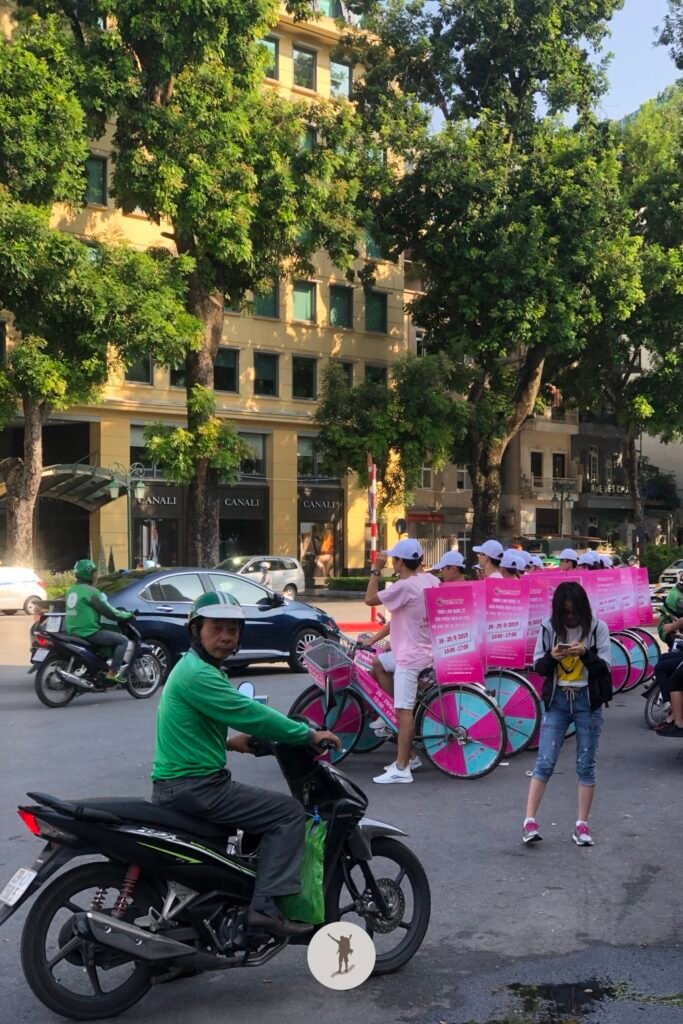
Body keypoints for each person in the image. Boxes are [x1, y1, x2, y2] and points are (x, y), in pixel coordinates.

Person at [151, 591, 341, 938]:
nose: (226, 637)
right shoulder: (200, 675)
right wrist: (307, 735)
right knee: (286, 814)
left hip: (178, 785)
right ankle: (264, 909)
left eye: (233, 630)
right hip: (198, 787)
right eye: (217, 629)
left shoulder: (192, 669)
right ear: (196, 630)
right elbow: (251, 714)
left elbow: (186, 724)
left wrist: (228, 742)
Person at [522, 581, 611, 846]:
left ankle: (582, 825)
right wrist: (553, 656)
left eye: (573, 613)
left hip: (587, 701)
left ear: (583, 609)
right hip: (558, 700)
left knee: (586, 765)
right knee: (545, 762)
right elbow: (539, 666)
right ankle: (529, 821)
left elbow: (605, 668)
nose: (570, 618)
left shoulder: (597, 628)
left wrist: (585, 654)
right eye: (565, 613)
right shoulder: (549, 627)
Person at [365, 539, 440, 784]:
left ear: (400, 562)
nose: (392, 563)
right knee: (378, 663)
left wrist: (376, 568)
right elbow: (400, 617)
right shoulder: (430, 580)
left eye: (394, 559)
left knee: (403, 711)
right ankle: (392, 721)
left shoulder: (404, 586)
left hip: (410, 658)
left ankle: (402, 767)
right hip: (426, 652)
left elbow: (370, 599)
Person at [65, 558, 135, 683]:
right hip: (88, 632)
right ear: (88, 574)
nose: (96, 576)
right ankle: (113, 672)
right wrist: (127, 615)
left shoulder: (71, 591)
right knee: (122, 640)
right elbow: (110, 612)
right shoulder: (91, 592)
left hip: (72, 630)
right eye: (94, 573)